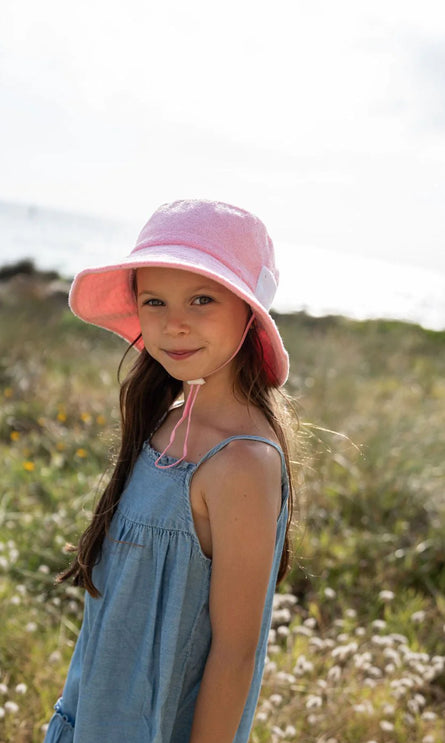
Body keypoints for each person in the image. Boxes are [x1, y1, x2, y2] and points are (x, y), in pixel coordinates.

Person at [44, 199, 295, 743]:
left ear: (249, 312)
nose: (174, 323)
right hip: (91, 716)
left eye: (202, 299)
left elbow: (236, 653)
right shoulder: (163, 423)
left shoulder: (241, 462)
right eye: (154, 301)